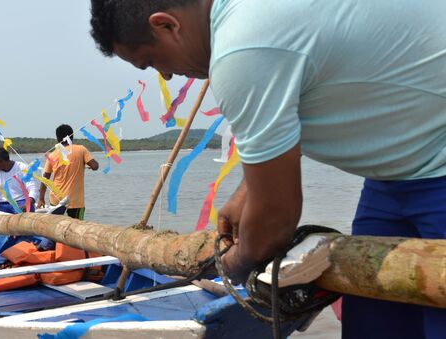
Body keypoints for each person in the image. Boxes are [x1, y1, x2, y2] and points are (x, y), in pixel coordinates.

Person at [89, 1, 446, 338]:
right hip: (396, 174)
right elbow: (324, 90)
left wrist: (237, 261)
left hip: (435, 164)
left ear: (166, 24)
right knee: (373, 320)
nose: (166, 75)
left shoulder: (240, 50)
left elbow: (276, 219)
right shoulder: (254, 19)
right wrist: (250, 190)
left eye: (151, 61)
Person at [37, 124, 99, 220]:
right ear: (72, 136)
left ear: (58, 138)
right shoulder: (81, 149)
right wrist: (86, 164)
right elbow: (95, 166)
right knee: (78, 228)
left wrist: (41, 199)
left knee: (55, 227)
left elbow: (45, 178)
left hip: (56, 199)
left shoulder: (52, 155)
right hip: (75, 201)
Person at [0, 147, 39, 214]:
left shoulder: (23, 167)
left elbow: (33, 188)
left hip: (21, 202)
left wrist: (28, 203)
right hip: (1, 204)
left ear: (1, 161)